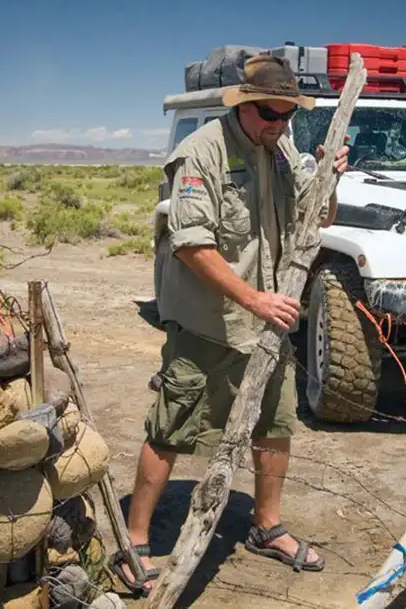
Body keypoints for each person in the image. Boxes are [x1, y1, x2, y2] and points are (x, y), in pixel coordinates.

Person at [112, 53, 350, 595]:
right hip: (208, 321)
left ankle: (267, 526)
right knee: (171, 426)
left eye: (289, 115)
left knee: (275, 424)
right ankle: (137, 539)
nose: (279, 123)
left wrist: (329, 182)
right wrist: (254, 299)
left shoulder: (282, 148)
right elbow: (192, 244)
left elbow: (315, 219)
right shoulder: (202, 153)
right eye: (270, 113)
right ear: (245, 105)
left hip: (267, 323)